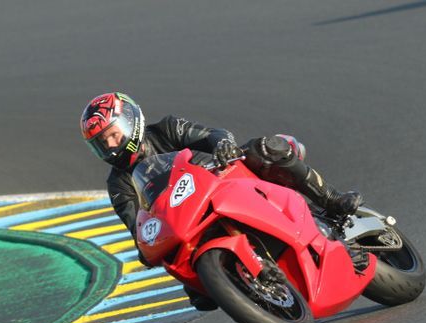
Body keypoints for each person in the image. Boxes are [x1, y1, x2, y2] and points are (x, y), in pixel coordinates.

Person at [80, 92, 362, 310]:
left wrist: (223, 145)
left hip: (223, 180)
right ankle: (228, 280)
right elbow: (137, 225)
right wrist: (146, 246)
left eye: (112, 135)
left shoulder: (167, 129)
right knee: (197, 292)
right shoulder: (118, 185)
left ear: (130, 122)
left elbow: (213, 135)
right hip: (188, 220)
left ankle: (331, 199)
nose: (111, 146)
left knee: (266, 148)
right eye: (102, 143)